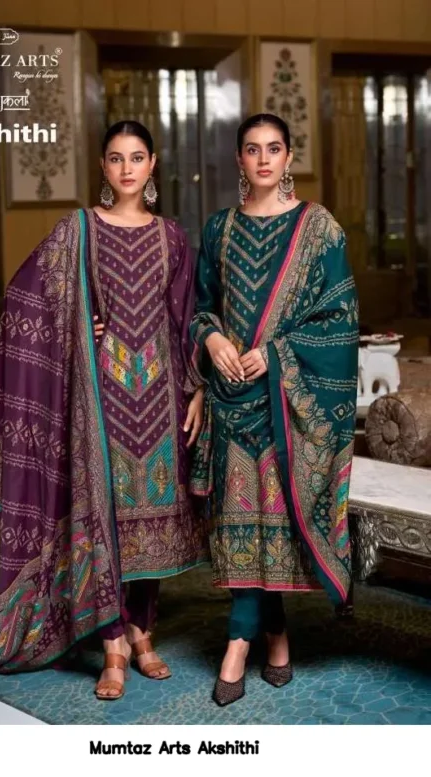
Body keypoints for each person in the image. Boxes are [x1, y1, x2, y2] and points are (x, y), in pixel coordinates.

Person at [0, 120, 207, 701]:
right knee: (109, 519)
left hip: (163, 398)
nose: (127, 169)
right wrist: (77, 322)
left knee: (154, 520)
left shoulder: (173, 237)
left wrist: (197, 388)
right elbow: (26, 295)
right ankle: (114, 646)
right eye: (116, 158)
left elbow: (186, 318)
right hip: (100, 401)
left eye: (137, 157)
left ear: (153, 165)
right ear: (103, 166)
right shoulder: (79, 230)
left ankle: (144, 632)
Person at [189, 113, 359, 706]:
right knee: (244, 524)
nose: (264, 159)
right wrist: (212, 338)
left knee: (277, 523)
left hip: (286, 400)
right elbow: (201, 307)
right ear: (239, 159)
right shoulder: (219, 229)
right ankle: (275, 631)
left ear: (289, 157)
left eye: (275, 148)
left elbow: (340, 320)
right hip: (230, 400)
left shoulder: (319, 229)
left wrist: (275, 353)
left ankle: (238, 643)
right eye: (252, 149)